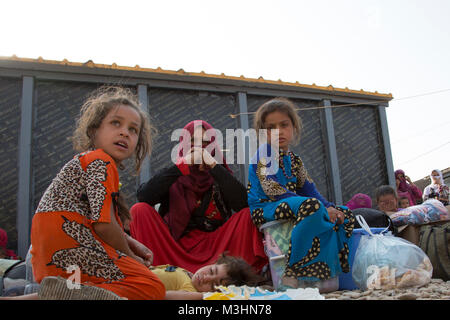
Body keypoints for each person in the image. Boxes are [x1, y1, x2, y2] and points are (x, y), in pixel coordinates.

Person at [27, 86, 165, 300]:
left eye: (133, 130)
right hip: (67, 241)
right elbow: (104, 225)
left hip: (50, 255)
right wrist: (130, 258)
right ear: (94, 130)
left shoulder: (90, 161)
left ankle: (60, 294)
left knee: (96, 285)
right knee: (150, 285)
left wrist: (129, 242)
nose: (124, 132)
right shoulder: (101, 161)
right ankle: (62, 294)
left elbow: (101, 220)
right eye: (116, 123)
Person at [130, 120, 267, 274]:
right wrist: (181, 166)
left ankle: (224, 275)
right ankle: (160, 273)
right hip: (173, 248)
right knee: (139, 210)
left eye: (205, 142)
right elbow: (144, 196)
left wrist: (214, 166)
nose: (199, 146)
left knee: (249, 215)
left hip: (215, 251)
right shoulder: (173, 174)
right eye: (193, 140)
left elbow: (243, 204)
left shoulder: (220, 174)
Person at [247, 97, 355, 290]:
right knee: (312, 206)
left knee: (343, 213)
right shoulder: (263, 153)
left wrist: (329, 206)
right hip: (266, 206)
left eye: (284, 125)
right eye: (271, 127)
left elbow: (309, 189)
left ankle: (331, 271)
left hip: (290, 203)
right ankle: (292, 272)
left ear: (293, 127)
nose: (278, 131)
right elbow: (272, 189)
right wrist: (320, 206)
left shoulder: (294, 160)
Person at [153, 253, 264, 300]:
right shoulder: (188, 274)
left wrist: (202, 296)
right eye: (211, 271)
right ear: (213, 263)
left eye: (213, 285)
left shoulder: (191, 291)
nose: (206, 278)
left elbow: (162, 296)